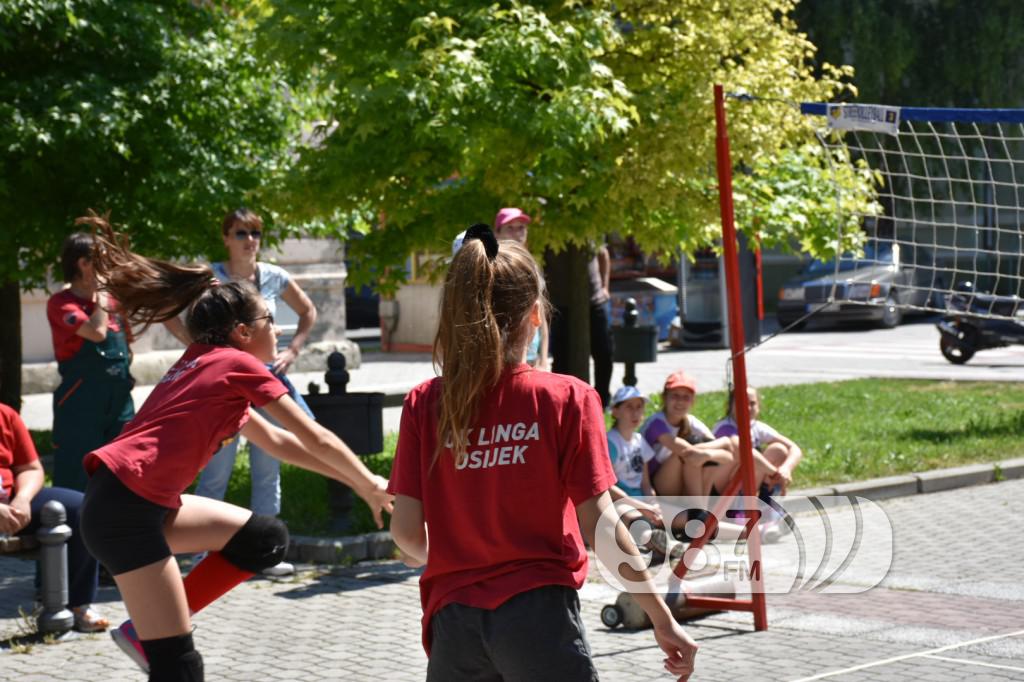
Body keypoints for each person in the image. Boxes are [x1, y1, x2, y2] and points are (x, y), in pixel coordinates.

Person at [74, 214, 393, 681]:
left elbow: (283, 443)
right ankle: (153, 636)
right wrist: (368, 482)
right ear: (243, 332)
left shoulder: (208, 365)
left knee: (264, 539)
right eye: (270, 319)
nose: (279, 329)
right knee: (179, 666)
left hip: (134, 505)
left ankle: (146, 633)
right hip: (126, 513)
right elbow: (312, 434)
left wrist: (356, 483)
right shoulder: (234, 364)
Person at [388, 224, 698, 681]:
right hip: (538, 617)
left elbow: (409, 539)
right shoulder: (566, 399)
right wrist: (662, 618)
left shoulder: (423, 403)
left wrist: (464, 551)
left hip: (453, 622)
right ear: (535, 315)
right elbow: (603, 527)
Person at [183, 208, 319, 577]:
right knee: (216, 469)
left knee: (267, 468)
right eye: (241, 233)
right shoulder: (212, 277)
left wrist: (292, 350)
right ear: (226, 237)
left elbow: (308, 311)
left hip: (264, 385)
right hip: (224, 389)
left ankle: (266, 551)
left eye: (255, 233)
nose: (250, 241)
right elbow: (176, 314)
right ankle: (200, 549)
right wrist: (202, 354)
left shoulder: (273, 276)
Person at [0, 401, 109, 632]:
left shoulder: (5, 414)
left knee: (81, 508)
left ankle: (78, 604)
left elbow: (30, 468)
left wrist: (22, 499)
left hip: (11, 504)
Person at [47, 232, 136, 492]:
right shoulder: (61, 304)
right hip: (80, 405)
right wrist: (103, 294)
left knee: (121, 474)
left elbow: (127, 348)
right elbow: (97, 333)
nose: (109, 265)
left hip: (119, 404)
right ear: (83, 264)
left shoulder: (112, 303)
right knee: (77, 476)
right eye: (102, 258)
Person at [452, 208, 550, 369]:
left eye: (521, 227)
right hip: (496, 355)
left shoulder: (533, 265)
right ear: (497, 233)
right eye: (510, 228)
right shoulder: (489, 266)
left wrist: (544, 358)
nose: (517, 233)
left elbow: (540, 311)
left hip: (530, 354)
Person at [713, 387, 803, 541]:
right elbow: (746, 452)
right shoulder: (725, 428)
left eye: (752, 403)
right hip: (722, 490)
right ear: (731, 405)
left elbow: (794, 448)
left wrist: (786, 469)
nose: (747, 408)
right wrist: (775, 473)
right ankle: (740, 513)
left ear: (758, 406)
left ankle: (767, 507)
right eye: (741, 403)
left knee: (779, 450)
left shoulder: (756, 426)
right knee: (748, 458)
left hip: (746, 482)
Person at [547, 240, 614, 406]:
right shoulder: (546, 232)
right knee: (561, 359)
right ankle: (564, 403)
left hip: (594, 301)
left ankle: (601, 401)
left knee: (604, 353)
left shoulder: (589, 231)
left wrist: (605, 287)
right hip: (561, 303)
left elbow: (603, 254)